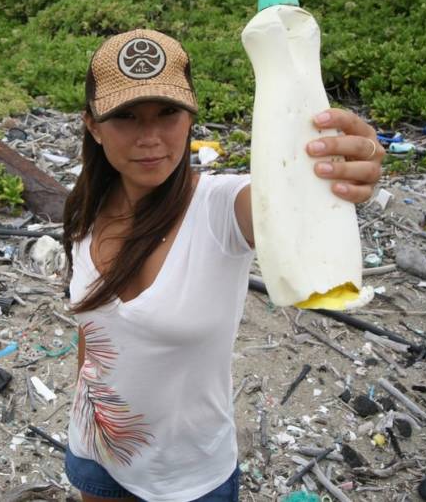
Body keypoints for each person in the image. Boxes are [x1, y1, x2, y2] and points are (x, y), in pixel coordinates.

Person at [61, 29, 384, 502]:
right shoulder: (85, 209)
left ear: (190, 116)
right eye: (126, 116)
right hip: (95, 448)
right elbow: (91, 333)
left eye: (167, 113)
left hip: (189, 477)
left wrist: (345, 167)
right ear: (93, 126)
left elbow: (286, 203)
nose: (150, 137)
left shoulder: (220, 209)